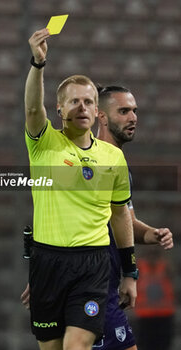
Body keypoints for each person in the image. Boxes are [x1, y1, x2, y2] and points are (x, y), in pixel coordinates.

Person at [23, 28, 137, 350]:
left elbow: (119, 214)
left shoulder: (113, 157)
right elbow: (32, 110)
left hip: (93, 264)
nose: (82, 107)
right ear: (59, 109)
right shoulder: (44, 144)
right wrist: (38, 63)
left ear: (95, 109)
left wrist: (130, 271)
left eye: (88, 101)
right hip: (47, 261)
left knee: (77, 347)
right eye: (74, 101)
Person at [94, 85, 174, 350]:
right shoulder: (88, 162)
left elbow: (125, 221)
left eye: (134, 111)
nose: (133, 117)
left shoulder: (118, 164)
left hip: (107, 283)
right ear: (101, 116)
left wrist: (151, 233)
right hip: (88, 282)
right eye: (124, 111)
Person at [135, 246, 175, 350]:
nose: (152, 258)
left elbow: (172, 274)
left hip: (164, 313)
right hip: (145, 314)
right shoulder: (139, 267)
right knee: (146, 344)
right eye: (150, 254)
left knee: (163, 344)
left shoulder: (166, 266)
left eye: (155, 255)